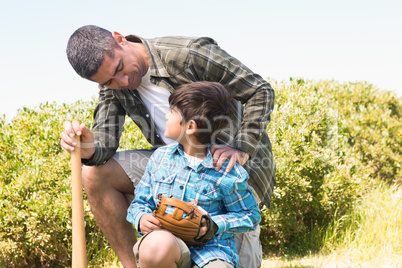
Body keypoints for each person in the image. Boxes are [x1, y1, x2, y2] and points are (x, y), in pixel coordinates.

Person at [60, 25, 275, 268]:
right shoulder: (114, 87)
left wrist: (241, 147)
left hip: (228, 171)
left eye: (120, 68)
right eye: (109, 81)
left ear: (119, 39)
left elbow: (260, 90)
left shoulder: (189, 53)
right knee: (93, 172)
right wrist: (89, 149)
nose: (123, 81)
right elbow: (104, 141)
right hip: (173, 164)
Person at [127, 81, 261, 268]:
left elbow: (250, 215)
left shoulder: (228, 172)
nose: (166, 115)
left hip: (212, 250)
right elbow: (139, 203)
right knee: (155, 247)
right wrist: (141, 217)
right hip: (168, 243)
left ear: (190, 126)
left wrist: (214, 224)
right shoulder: (160, 158)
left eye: (172, 111)